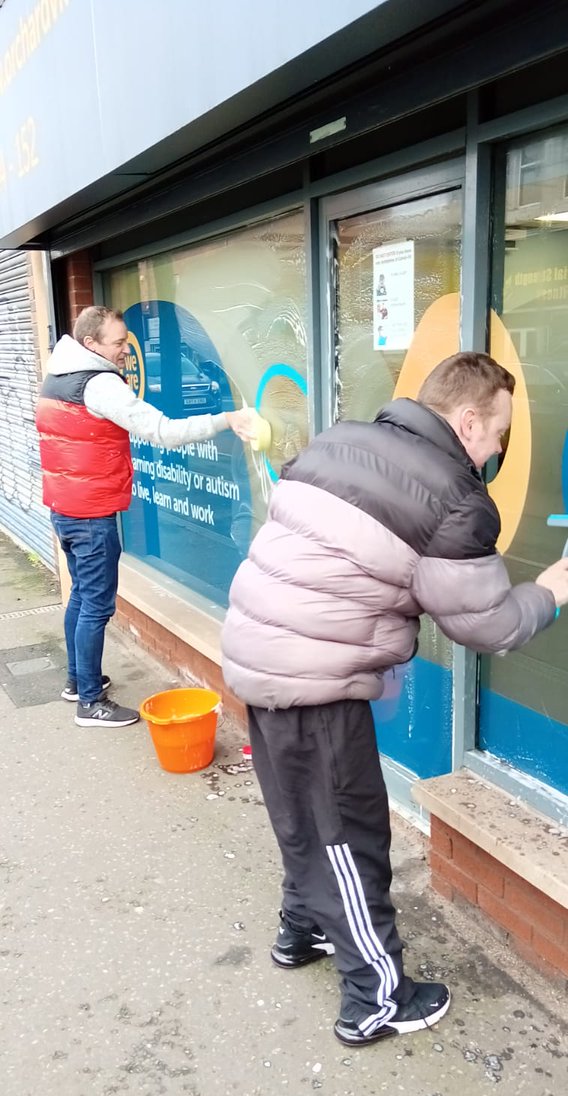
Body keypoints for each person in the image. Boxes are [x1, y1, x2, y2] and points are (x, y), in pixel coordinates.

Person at [222, 351, 568, 1047]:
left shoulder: (340, 440)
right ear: (468, 420)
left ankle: (300, 933)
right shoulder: (455, 496)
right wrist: (556, 586)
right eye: (499, 431)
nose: (500, 447)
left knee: (303, 818)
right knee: (350, 837)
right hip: (314, 681)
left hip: (258, 654)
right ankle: (375, 999)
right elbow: (488, 625)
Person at [36, 305, 254, 729]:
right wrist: (228, 418)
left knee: (81, 595)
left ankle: (77, 682)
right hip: (91, 513)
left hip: (65, 507)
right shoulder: (97, 385)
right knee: (96, 604)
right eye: (117, 343)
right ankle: (90, 703)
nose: (124, 351)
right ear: (90, 344)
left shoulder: (58, 374)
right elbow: (162, 431)